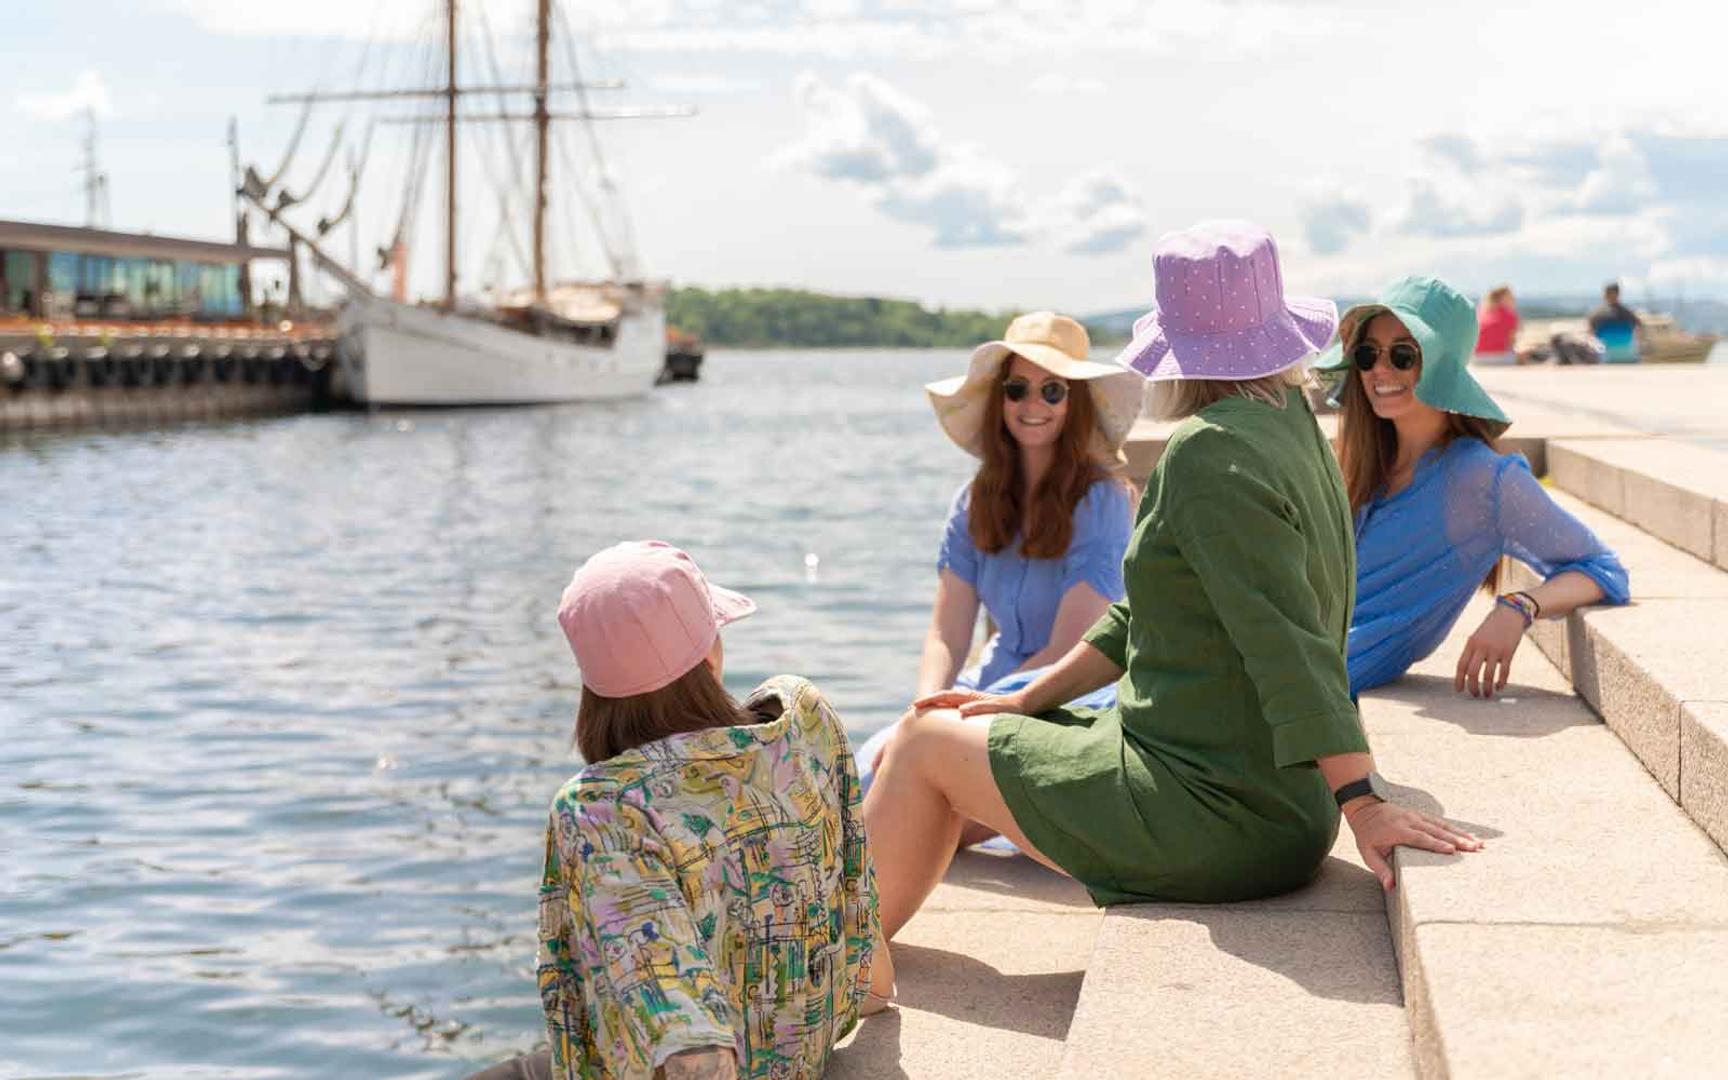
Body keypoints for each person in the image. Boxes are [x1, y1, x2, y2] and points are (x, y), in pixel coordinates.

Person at [860, 222, 1480, 972]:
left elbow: (1287, 642)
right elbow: (1145, 610)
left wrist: (1365, 800)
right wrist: (1028, 699)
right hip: (1260, 798)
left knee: (922, 741)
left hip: (1214, 815)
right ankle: (851, 948)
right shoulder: (1293, 429)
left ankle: (838, 964)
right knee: (956, 731)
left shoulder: (1208, 450)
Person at [496, 541, 883, 1080]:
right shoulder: (803, 718)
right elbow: (855, 891)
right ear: (707, 656)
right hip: (807, 1048)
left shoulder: (604, 809)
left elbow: (689, 1046)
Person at [854, 311, 1141, 792]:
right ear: (1000, 398)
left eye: (1053, 390)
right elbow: (947, 633)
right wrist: (923, 708)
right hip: (990, 680)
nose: (1033, 403)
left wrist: (959, 715)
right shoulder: (972, 502)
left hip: (1069, 694)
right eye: (1017, 388)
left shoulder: (1104, 500)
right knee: (870, 769)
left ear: (1076, 403)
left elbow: (1069, 646)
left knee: (939, 772)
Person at [1315, 276, 1630, 699]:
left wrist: (1518, 607)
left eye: (1403, 355)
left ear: (1442, 368)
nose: (1379, 370)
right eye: (1368, 354)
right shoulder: (1360, 464)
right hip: (1285, 672)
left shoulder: (1481, 479)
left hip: (1310, 690)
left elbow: (1602, 568)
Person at [1587, 282, 1643, 362]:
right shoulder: (1628, 313)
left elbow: (1590, 335)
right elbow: (1639, 329)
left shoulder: (1597, 314)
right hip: (1629, 356)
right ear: (1618, 294)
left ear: (1605, 295)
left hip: (1606, 357)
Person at [1473, 285, 1520, 365]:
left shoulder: (1480, 312)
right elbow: (1511, 343)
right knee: (1525, 354)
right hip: (1498, 357)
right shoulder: (1509, 315)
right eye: (1511, 297)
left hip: (1476, 358)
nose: (1513, 300)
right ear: (1503, 298)